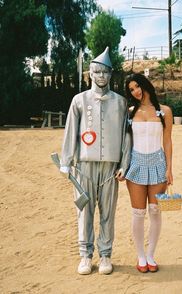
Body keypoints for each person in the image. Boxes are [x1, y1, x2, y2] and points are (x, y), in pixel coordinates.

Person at [59, 47, 131, 275]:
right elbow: (71, 131)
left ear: (111, 75)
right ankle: (85, 256)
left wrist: (124, 164)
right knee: (84, 212)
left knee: (108, 212)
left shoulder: (120, 103)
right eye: (97, 72)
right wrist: (66, 160)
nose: (101, 76)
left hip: (111, 168)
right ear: (90, 74)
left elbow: (125, 136)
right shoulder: (79, 100)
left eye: (105, 72)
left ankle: (106, 255)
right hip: (84, 167)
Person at [124, 73, 173, 273]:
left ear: (145, 85)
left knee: (155, 211)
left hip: (158, 164)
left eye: (137, 86)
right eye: (131, 90)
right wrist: (121, 166)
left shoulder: (164, 111)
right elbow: (124, 143)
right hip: (135, 165)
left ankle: (151, 255)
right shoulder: (128, 112)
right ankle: (141, 256)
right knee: (138, 213)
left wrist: (170, 168)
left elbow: (167, 140)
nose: (136, 91)